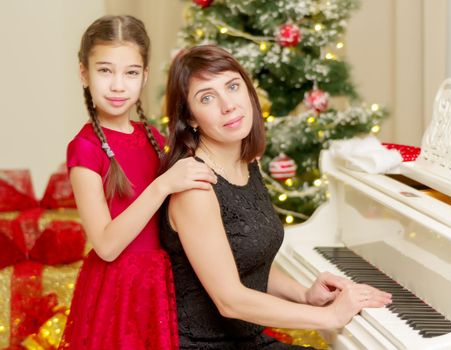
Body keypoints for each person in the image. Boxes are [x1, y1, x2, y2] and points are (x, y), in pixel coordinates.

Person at [159, 45, 392, 350]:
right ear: (190, 118)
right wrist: (329, 316)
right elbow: (229, 300)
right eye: (207, 97)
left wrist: (304, 294)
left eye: (232, 86)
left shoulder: (245, 160)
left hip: (247, 339)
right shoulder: (195, 186)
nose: (228, 105)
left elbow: (248, 262)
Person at [59, 16, 216, 350]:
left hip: (161, 284)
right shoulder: (84, 149)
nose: (118, 85)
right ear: (84, 73)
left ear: (144, 77)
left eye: (130, 72)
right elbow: (106, 244)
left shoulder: (155, 138)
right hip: (117, 291)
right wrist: (162, 186)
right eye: (105, 70)